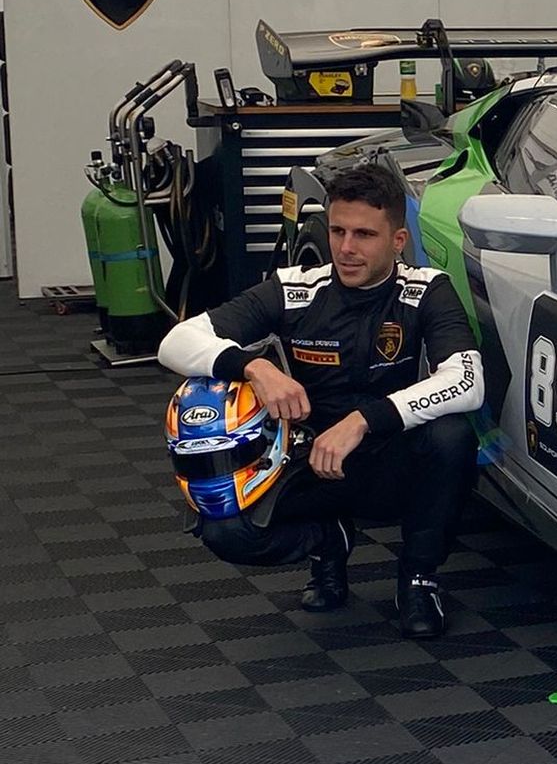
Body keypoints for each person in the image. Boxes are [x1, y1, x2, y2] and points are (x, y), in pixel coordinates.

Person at [158, 160, 483, 638]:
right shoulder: (296, 288)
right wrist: (255, 367)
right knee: (223, 528)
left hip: (388, 454)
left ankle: (417, 579)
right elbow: (177, 341)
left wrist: (363, 421)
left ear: (397, 241)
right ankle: (328, 542)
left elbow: (467, 379)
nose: (346, 249)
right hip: (306, 458)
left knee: (453, 435)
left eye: (365, 235)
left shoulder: (425, 290)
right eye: (337, 231)